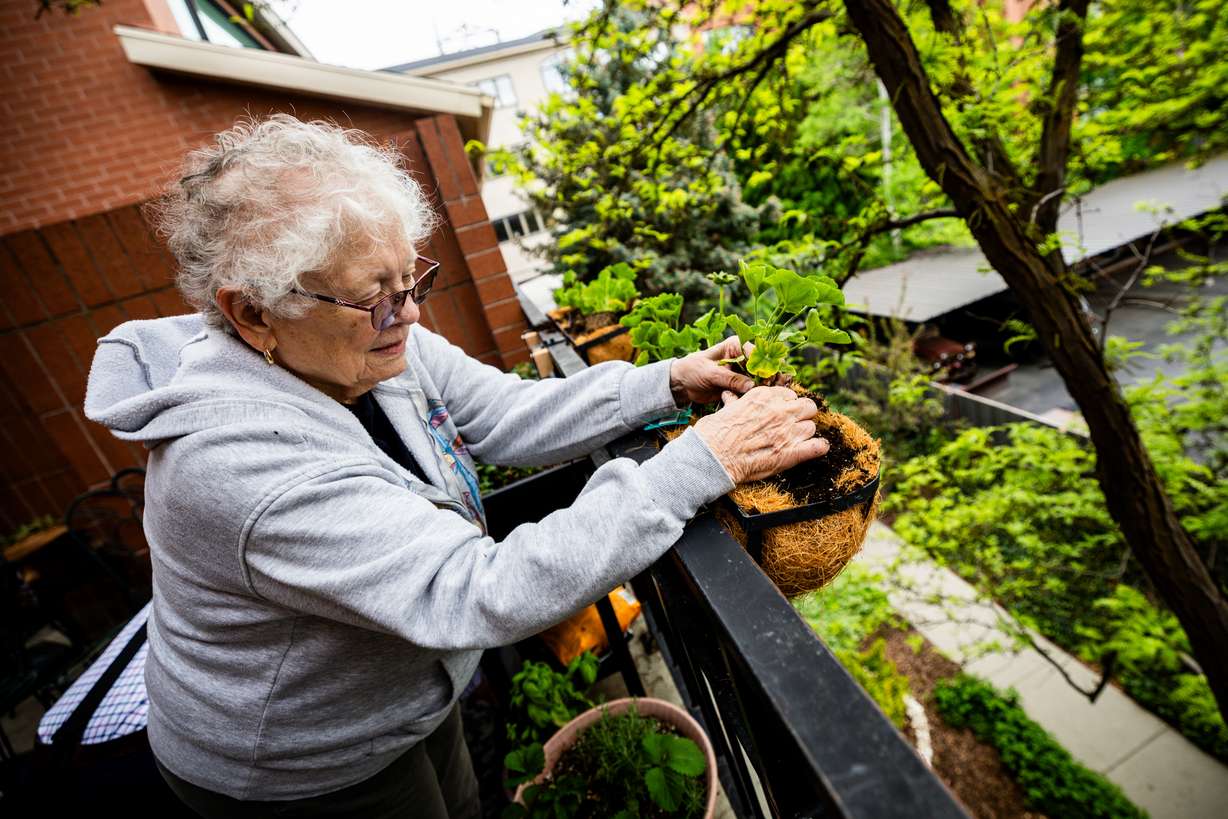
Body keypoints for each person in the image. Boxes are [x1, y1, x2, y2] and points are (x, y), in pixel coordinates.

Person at [84, 115, 828, 817]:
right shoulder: (239, 466)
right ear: (253, 313)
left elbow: (506, 413)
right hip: (296, 760)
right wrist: (701, 460)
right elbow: (479, 588)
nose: (406, 312)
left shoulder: (362, 342)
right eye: (373, 293)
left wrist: (662, 381)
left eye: (410, 279)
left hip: (400, 688)